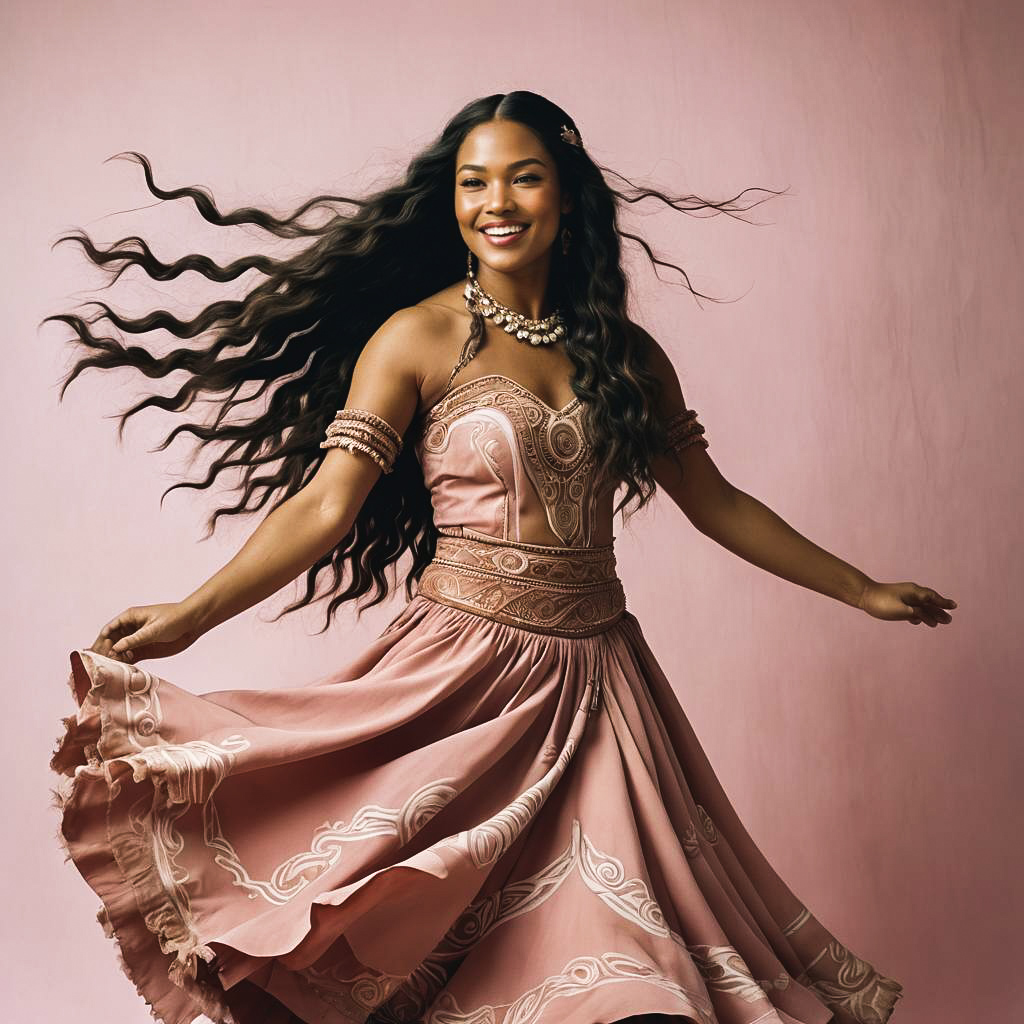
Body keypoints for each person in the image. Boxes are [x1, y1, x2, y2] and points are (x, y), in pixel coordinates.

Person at [49, 91, 953, 1024]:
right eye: (473, 182)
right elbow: (326, 505)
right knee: (425, 947)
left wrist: (860, 587)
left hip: (603, 685)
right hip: (460, 681)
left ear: (566, 196)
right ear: (451, 203)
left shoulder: (626, 355)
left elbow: (715, 503)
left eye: (523, 177)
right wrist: (191, 615)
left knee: (626, 963)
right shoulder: (418, 338)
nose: (498, 202)